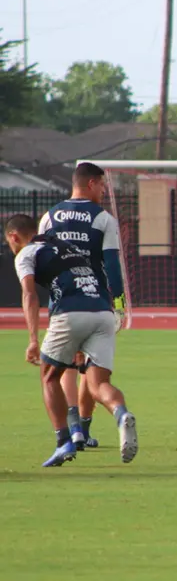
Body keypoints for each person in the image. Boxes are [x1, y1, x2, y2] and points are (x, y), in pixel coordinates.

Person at [6, 214, 137, 467]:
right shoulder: (67, 247)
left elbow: (30, 295)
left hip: (70, 313)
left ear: (14, 237)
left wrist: (33, 339)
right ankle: (121, 414)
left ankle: (63, 442)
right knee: (99, 383)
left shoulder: (26, 254)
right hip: (103, 312)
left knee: (49, 376)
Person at [38, 162, 126, 451]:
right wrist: (119, 302)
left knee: (63, 369)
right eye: (102, 185)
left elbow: (43, 262)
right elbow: (112, 265)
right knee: (93, 370)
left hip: (62, 303)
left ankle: (74, 430)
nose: (104, 191)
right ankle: (86, 428)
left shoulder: (49, 217)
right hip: (96, 301)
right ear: (90, 183)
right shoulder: (103, 219)